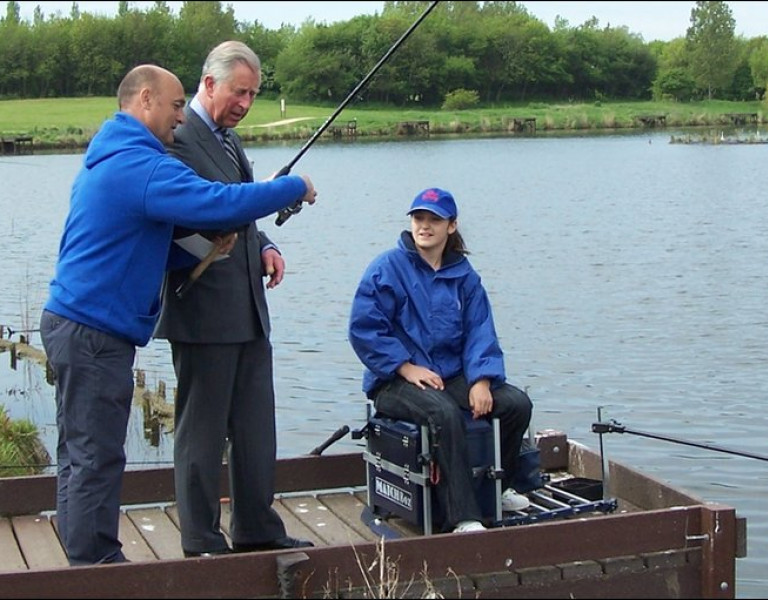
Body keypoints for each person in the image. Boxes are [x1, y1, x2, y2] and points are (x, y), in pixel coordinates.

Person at [39, 63, 317, 566]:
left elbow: (144, 247)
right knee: (95, 456)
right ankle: (95, 566)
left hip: (80, 323)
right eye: (172, 107)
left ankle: (84, 559)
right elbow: (214, 200)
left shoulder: (118, 154)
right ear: (145, 100)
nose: (179, 119)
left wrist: (198, 248)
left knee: (80, 455)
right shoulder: (139, 164)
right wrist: (291, 187)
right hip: (91, 331)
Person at [153, 41, 312, 557]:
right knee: (201, 435)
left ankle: (256, 527)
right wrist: (284, 190)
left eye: (254, 94)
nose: (246, 103)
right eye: (239, 92)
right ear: (208, 84)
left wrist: (266, 246)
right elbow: (208, 211)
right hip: (201, 311)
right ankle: (201, 540)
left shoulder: (226, 140)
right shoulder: (178, 140)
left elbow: (242, 211)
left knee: (254, 428)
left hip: (248, 310)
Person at [348, 187, 533, 534]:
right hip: (394, 381)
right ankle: (463, 516)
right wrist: (405, 366)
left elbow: (481, 330)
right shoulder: (387, 268)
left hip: (451, 376)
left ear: (451, 226)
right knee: (444, 414)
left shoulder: (465, 275)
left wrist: (480, 380)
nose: (425, 226)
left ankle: (498, 486)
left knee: (516, 404)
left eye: (434, 219)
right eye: (419, 218)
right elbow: (363, 329)